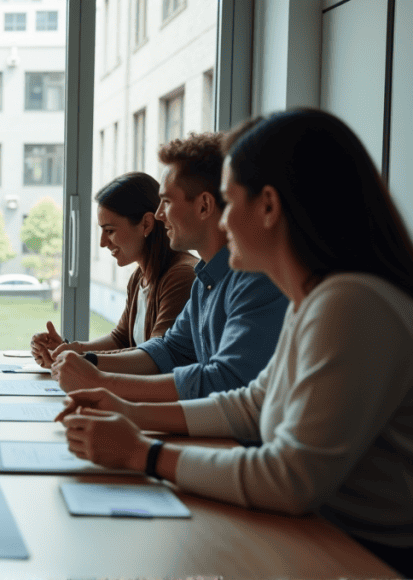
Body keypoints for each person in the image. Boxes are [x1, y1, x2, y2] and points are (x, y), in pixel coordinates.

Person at [57, 109, 413, 577]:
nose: (222, 224)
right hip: (320, 536)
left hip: (361, 556)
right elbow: (252, 403)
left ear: (267, 206)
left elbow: (290, 478)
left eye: (228, 201)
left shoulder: (348, 302)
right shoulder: (315, 299)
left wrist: (142, 452)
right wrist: (128, 412)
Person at [49, 133, 288, 402]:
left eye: (168, 201)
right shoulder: (204, 280)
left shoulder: (255, 280)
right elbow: (169, 349)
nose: (160, 214)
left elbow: (224, 382)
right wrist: (87, 361)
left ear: (204, 205)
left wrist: (101, 381)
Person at [31, 172, 197, 361]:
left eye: (109, 231)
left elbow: (155, 358)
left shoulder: (181, 276)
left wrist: (78, 359)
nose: (102, 242)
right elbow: (120, 339)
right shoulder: (139, 277)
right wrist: (69, 349)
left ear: (146, 224)